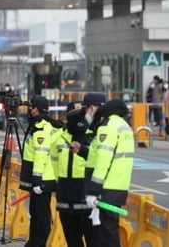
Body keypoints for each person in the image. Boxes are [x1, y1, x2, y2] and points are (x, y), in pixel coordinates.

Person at [71, 99, 134, 247]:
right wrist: (83, 150)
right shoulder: (123, 126)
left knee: (105, 237)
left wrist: (93, 191)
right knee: (109, 233)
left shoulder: (107, 127)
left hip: (105, 189)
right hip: (118, 187)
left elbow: (103, 161)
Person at [52, 98, 104, 247]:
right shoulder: (59, 137)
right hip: (65, 197)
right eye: (72, 115)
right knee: (72, 241)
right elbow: (53, 163)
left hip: (86, 197)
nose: (77, 119)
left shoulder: (93, 136)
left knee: (93, 240)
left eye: (79, 114)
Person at [19, 95, 63, 247]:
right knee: (36, 213)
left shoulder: (42, 127)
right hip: (41, 177)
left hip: (42, 178)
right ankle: (34, 242)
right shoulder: (38, 124)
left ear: (36, 109)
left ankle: (39, 243)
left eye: (30, 107)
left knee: (41, 215)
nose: (29, 109)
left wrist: (37, 180)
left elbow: (41, 155)